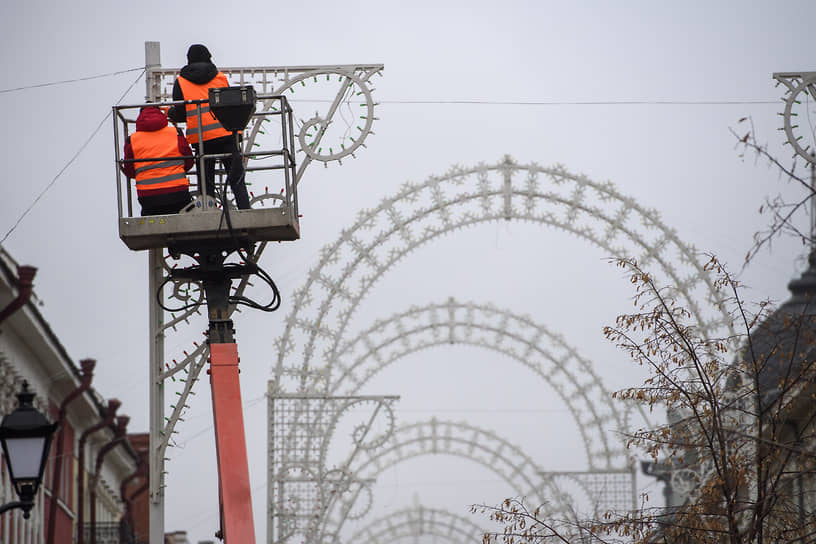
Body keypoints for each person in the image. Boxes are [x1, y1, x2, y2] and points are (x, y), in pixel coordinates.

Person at [168, 44, 251, 210]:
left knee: (206, 185)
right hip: (227, 133)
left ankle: (209, 212)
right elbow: (230, 105)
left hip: (202, 138)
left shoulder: (181, 82)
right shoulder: (220, 78)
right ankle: (245, 209)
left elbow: (181, 112)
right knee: (236, 179)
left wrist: (171, 113)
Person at [121, 106, 194, 216]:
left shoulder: (131, 140)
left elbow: (130, 172)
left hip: (148, 198)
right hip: (178, 194)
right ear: (160, 114)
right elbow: (189, 162)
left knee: (150, 223)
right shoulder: (176, 133)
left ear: (140, 117)